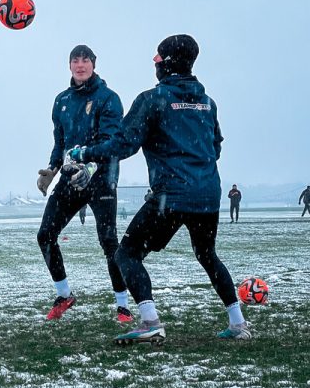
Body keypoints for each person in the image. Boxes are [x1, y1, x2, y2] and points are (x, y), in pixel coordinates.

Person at [68, 34, 250, 344]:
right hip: (207, 194)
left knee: (127, 254)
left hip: (171, 194)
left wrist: (83, 154)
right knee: (207, 254)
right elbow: (215, 147)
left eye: (156, 60)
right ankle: (238, 323)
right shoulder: (207, 102)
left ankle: (150, 321)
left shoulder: (153, 99)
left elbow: (123, 145)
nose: (154, 65)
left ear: (165, 64)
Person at [35, 45, 133, 323]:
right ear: (69, 66)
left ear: (93, 64)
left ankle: (123, 306)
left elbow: (110, 142)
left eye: (85, 60)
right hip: (70, 178)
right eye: (75, 60)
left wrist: (90, 166)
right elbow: (60, 142)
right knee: (45, 235)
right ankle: (64, 295)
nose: (80, 65)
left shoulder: (108, 98)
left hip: (101, 179)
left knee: (108, 241)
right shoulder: (61, 100)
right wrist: (52, 170)